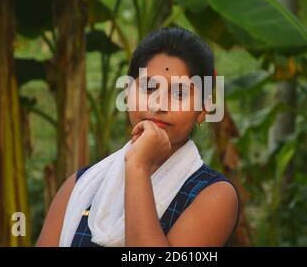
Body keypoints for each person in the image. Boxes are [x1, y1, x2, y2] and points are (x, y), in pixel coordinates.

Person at [36, 27, 239, 247]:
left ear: (202, 110)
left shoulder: (214, 195)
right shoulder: (80, 186)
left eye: (179, 93)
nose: (158, 104)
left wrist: (138, 167)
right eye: (148, 88)